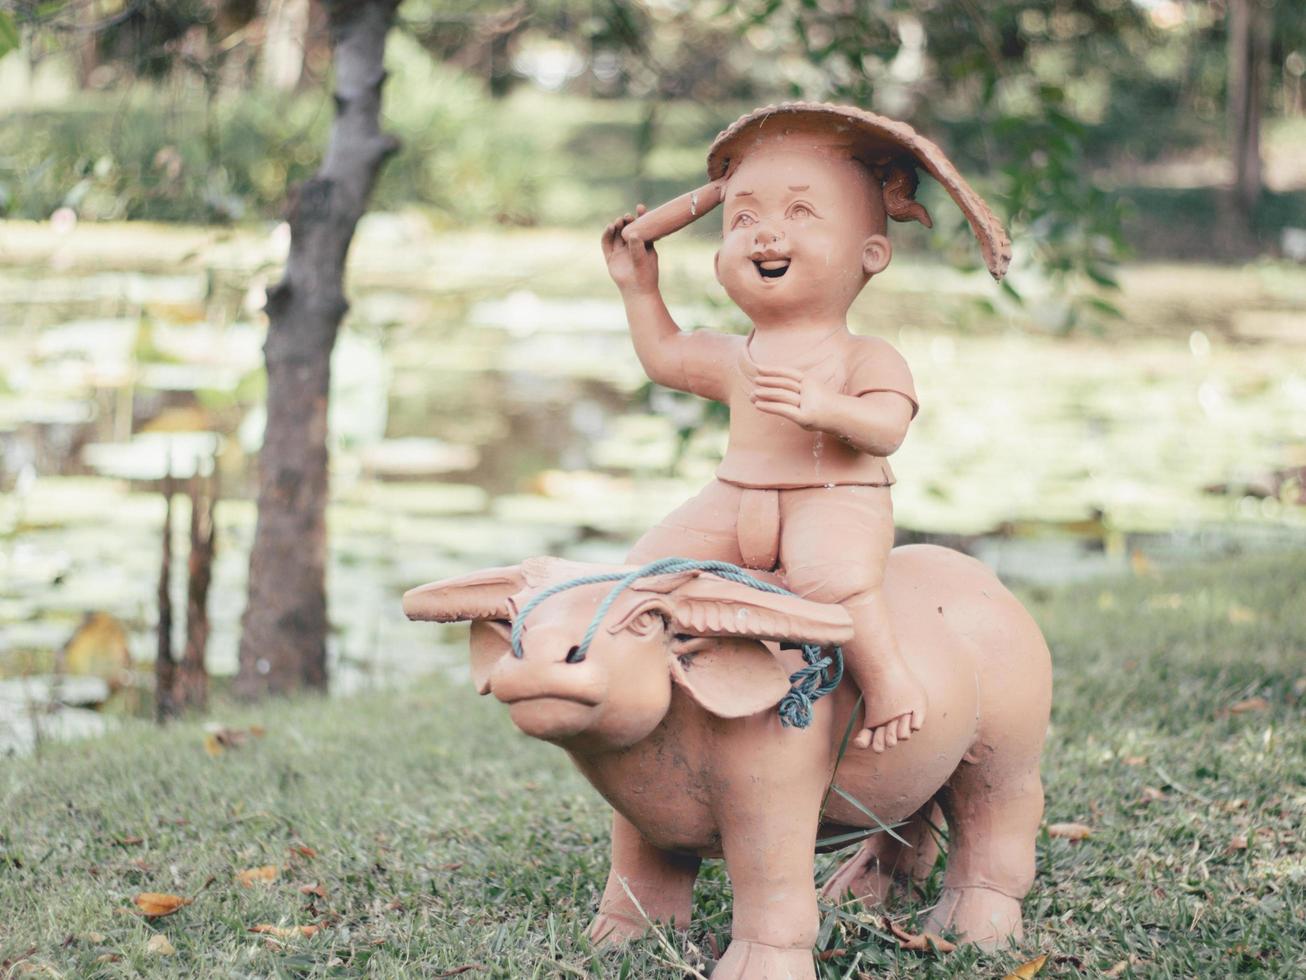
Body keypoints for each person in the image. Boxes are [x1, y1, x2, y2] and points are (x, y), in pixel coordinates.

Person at [601, 103, 1010, 752]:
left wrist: (829, 409)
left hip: (834, 499)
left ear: (872, 253)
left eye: (799, 213)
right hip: (736, 495)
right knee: (647, 570)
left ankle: (889, 682)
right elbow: (665, 355)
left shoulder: (864, 357)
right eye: (743, 218)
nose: (765, 235)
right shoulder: (736, 355)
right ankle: (668, 684)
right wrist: (637, 286)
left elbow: (887, 427)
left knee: (833, 581)